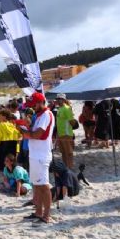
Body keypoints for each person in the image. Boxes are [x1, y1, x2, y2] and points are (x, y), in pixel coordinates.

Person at [18, 93, 55, 224]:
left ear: (40, 103)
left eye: (34, 105)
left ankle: (46, 215)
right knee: (36, 184)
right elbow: (33, 132)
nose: (32, 108)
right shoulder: (38, 115)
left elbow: (38, 134)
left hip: (41, 155)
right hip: (35, 154)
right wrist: (26, 127)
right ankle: (39, 212)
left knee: (44, 185)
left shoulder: (46, 115)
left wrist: (25, 132)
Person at [55, 94, 75, 169]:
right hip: (60, 134)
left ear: (64, 99)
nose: (58, 100)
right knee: (63, 152)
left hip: (67, 134)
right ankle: (65, 168)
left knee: (69, 153)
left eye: (60, 99)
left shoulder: (67, 108)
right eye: (57, 99)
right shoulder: (59, 109)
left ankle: (70, 168)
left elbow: (72, 122)